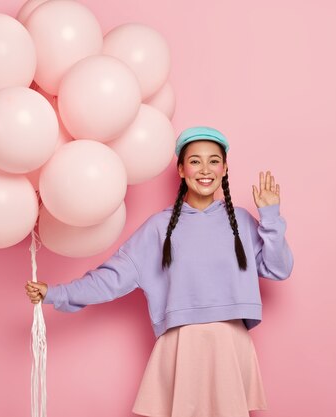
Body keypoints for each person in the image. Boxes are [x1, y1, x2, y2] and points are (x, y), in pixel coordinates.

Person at [26, 126, 294, 417]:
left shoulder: (241, 221)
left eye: (214, 160)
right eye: (195, 161)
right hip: (181, 345)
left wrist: (271, 218)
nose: (205, 169)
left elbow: (279, 269)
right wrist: (55, 293)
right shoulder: (158, 228)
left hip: (231, 343)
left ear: (225, 167)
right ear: (181, 169)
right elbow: (113, 277)